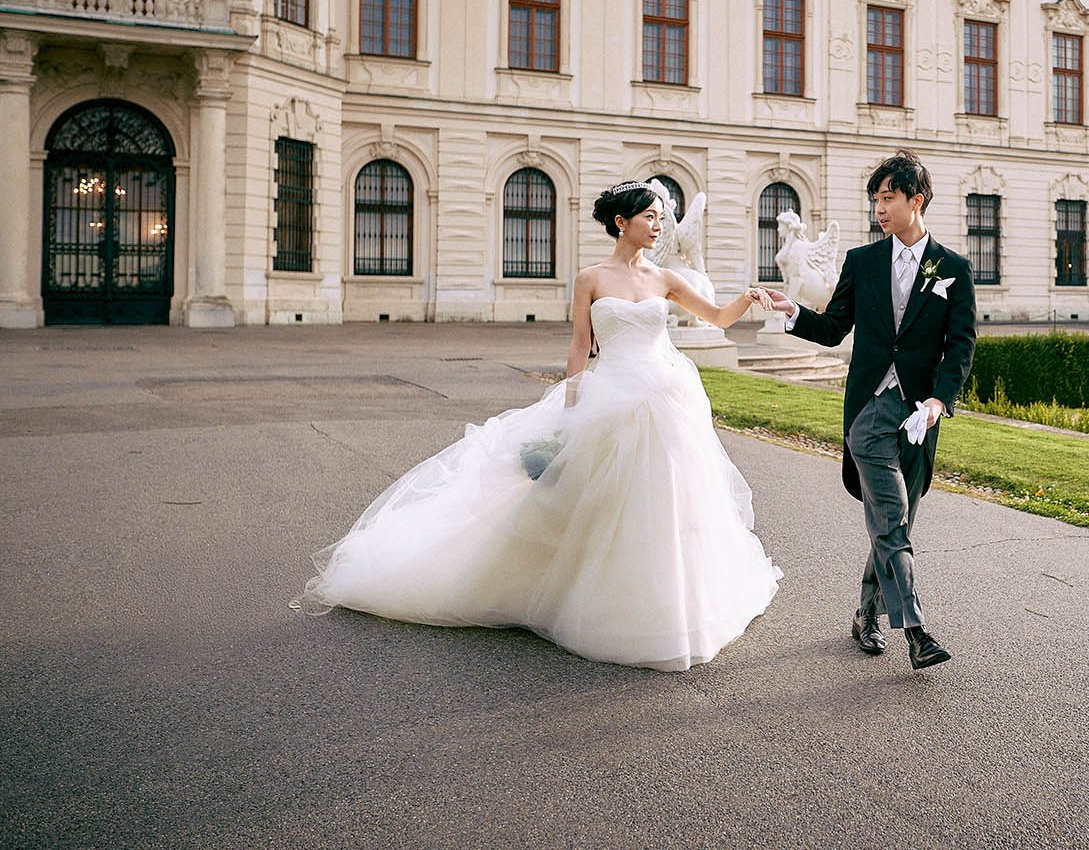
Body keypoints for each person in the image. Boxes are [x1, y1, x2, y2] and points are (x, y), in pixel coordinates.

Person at [300, 181, 781, 671]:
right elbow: (580, 347)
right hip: (610, 397)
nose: (659, 226)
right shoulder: (590, 279)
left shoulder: (666, 278)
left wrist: (749, 297)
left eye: (661, 217)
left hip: (665, 399)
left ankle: (670, 603)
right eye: (650, 217)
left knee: (670, 501)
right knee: (594, 499)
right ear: (622, 222)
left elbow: (717, 317)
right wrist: (572, 409)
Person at [765, 151, 977, 670]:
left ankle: (866, 615)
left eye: (888, 198)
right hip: (869, 413)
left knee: (893, 524)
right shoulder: (862, 262)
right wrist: (794, 312)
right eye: (875, 200)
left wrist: (938, 401)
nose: (879, 209)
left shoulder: (953, 269)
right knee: (892, 521)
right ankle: (917, 632)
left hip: (919, 418)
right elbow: (834, 327)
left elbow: (961, 346)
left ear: (915, 200)